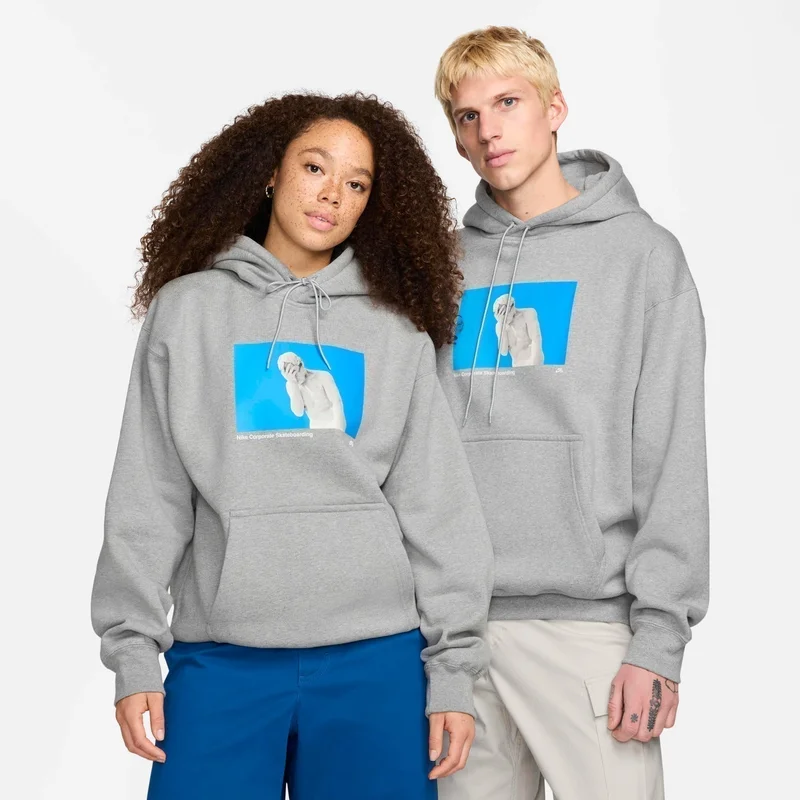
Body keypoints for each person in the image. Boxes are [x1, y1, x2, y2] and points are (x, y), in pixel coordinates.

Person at [90, 91, 495, 800]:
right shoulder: (188, 311)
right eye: (315, 167)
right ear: (271, 172)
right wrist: (133, 653)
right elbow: (148, 494)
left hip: (377, 663)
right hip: (221, 660)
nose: (333, 194)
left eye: (357, 183)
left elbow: (438, 506)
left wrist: (455, 670)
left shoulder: (394, 328)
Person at [432, 26, 709, 800]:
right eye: (467, 115)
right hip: (458, 637)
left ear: (555, 109)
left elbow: (673, 452)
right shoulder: (441, 266)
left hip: (591, 630)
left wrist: (659, 637)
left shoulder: (642, 256)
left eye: (508, 103)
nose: (488, 130)